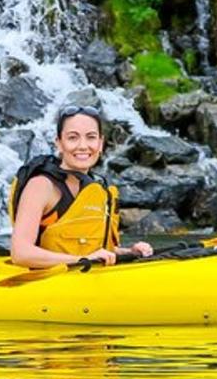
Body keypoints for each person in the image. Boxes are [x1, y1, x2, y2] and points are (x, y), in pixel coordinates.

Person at [9, 105, 153, 269]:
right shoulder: (41, 186)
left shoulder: (97, 189)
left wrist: (129, 252)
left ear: (100, 144)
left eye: (91, 137)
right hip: (45, 285)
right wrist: (82, 259)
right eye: (73, 137)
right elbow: (21, 253)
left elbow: (91, 250)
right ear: (59, 143)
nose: (83, 146)